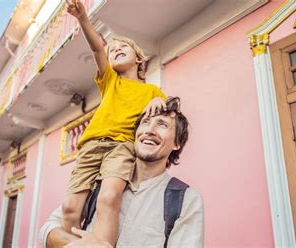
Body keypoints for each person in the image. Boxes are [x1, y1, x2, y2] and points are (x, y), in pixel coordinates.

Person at [62, 0, 167, 246]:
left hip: (122, 146)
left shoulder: (152, 91)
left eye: (123, 48)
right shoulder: (110, 80)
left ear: (139, 60)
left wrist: (160, 103)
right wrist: (82, 18)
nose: (115, 49)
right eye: (113, 50)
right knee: (69, 207)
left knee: (108, 199)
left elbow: (169, 109)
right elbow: (98, 48)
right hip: (91, 147)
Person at [40, 97, 204, 248]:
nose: (150, 130)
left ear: (177, 143)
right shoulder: (102, 181)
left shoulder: (186, 199)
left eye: (162, 125)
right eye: (145, 122)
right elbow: (48, 228)